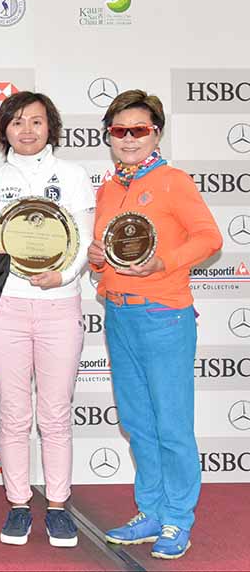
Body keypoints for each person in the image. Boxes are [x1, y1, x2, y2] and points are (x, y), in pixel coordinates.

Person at [87, 90, 221, 560]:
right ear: (109, 135)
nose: (128, 139)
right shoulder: (108, 188)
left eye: (138, 130)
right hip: (118, 313)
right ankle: (151, 511)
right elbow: (109, 256)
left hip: (163, 314)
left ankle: (178, 519)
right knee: (138, 423)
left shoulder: (173, 181)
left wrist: (164, 262)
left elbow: (209, 237)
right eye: (119, 130)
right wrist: (97, 261)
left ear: (156, 133)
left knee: (172, 424)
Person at [0, 92, 95, 547]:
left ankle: (60, 506)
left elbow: (85, 240)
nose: (26, 130)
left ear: (52, 127)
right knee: (13, 413)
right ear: (3, 129)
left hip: (59, 303)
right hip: (5, 307)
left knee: (54, 413)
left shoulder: (72, 174)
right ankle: (17, 504)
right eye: (17, 122)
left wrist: (64, 274)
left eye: (36, 122)